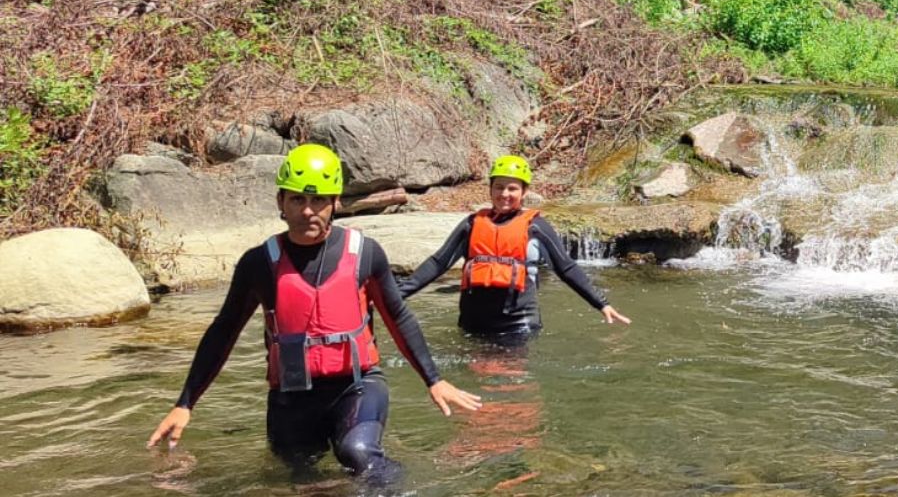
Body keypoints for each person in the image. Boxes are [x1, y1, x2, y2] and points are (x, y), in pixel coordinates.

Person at [147, 144, 482, 483]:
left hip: (357, 386)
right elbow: (224, 331)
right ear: (280, 202)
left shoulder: (365, 254)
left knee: (359, 453)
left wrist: (434, 380)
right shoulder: (258, 264)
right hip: (291, 397)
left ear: (335, 203)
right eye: (297, 200)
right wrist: (185, 403)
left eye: (319, 200)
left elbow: (398, 317)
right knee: (298, 476)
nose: (308, 211)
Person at [401, 155, 630, 339]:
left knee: (511, 381)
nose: (505, 194)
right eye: (499, 187)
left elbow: (566, 268)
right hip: (473, 323)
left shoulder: (536, 227)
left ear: (524, 192)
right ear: (490, 189)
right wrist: (397, 294)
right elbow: (438, 263)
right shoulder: (471, 224)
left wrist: (601, 304)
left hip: (518, 324)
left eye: (512, 188)